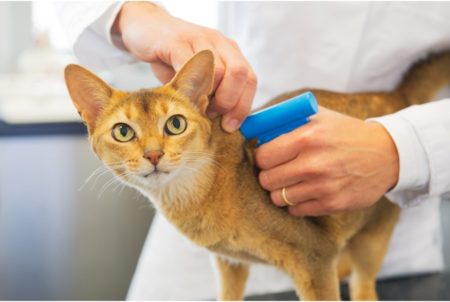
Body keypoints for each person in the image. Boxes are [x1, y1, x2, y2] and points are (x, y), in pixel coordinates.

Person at [58, 2, 450, 299]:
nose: (152, 152)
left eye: (172, 126)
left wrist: (405, 147)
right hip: (223, 144)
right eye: (126, 133)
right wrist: (132, 12)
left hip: (402, 160)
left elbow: (316, 251)